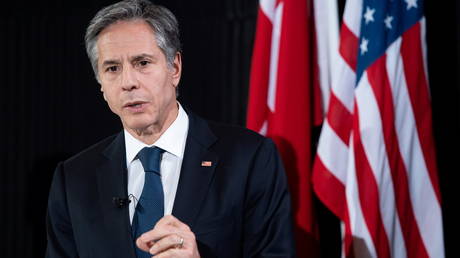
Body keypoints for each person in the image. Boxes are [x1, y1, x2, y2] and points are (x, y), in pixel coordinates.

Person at [45, 0, 296, 257]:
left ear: (174, 68)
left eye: (142, 63)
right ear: (101, 84)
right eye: (112, 68)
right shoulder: (74, 179)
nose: (128, 82)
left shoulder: (249, 158)